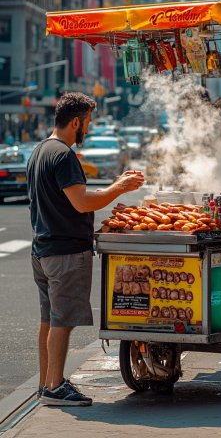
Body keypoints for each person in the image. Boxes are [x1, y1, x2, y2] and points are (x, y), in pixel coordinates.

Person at [27, 92, 144, 406]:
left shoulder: (39, 150)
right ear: (75, 122)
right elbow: (82, 202)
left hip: (43, 248)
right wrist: (119, 187)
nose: (88, 130)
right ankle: (55, 387)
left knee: (50, 320)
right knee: (61, 322)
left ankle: (44, 384)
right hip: (64, 252)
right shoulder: (63, 155)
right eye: (88, 123)